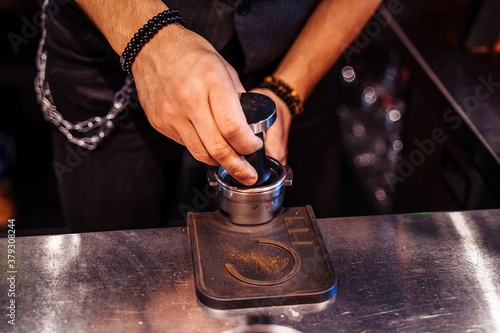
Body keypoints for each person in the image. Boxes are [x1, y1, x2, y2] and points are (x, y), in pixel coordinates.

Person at [40, 0, 382, 232]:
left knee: (301, 263)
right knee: (117, 269)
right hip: (113, 54)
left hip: (297, 52)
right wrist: (151, 42)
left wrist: (287, 88)